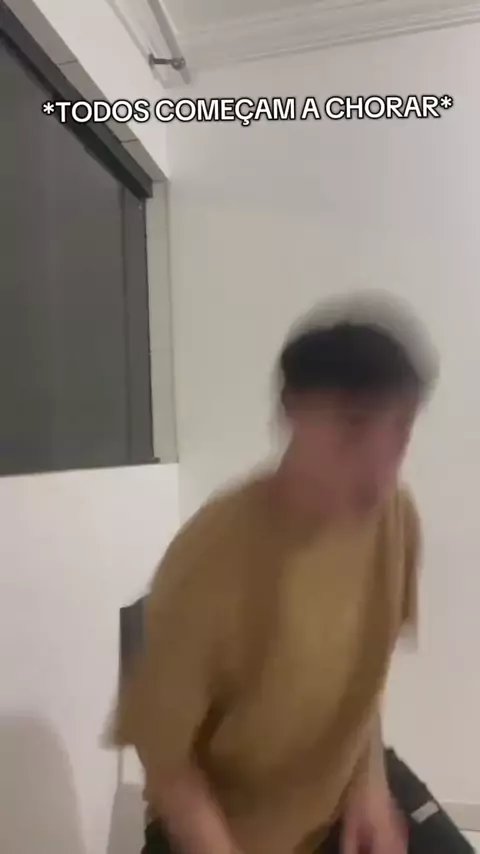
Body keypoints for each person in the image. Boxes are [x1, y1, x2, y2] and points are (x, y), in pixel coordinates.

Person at [111, 298, 438, 854]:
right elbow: (167, 768)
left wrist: (369, 786)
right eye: (353, 425)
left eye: (401, 427)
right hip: (221, 827)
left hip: (340, 788)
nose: (380, 459)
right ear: (291, 413)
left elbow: (364, 680)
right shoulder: (209, 560)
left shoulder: (396, 519)